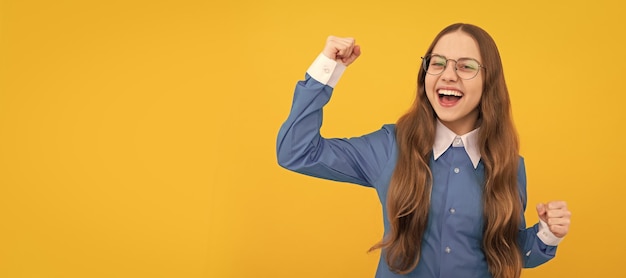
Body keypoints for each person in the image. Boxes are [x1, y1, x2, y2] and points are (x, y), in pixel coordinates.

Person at [276, 23, 571, 278]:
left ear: (488, 81)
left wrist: (548, 234)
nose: (448, 75)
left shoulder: (510, 164)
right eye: (438, 62)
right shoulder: (390, 146)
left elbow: (508, 253)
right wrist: (328, 68)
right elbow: (296, 152)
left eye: (466, 66)